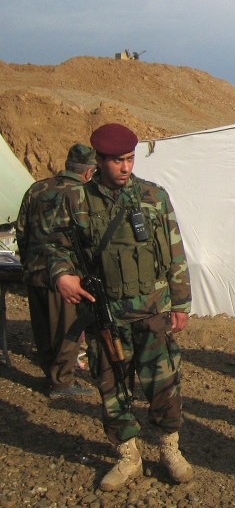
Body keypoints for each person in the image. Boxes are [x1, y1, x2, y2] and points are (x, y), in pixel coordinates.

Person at [46, 123, 194, 491]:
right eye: (117, 161)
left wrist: (181, 303)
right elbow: (52, 247)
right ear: (99, 160)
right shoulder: (76, 200)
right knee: (110, 387)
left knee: (163, 384)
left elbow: (175, 250)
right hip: (106, 314)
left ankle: (169, 449)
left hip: (152, 311)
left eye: (129, 159)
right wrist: (61, 274)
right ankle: (127, 455)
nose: (125, 167)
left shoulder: (153, 196)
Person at [16, 144, 97, 397]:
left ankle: (51, 375)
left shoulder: (36, 189)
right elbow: (89, 238)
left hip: (35, 271)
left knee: (42, 327)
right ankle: (61, 381)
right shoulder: (83, 194)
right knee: (67, 329)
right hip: (67, 276)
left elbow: (21, 231)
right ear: (89, 172)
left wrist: (29, 261)